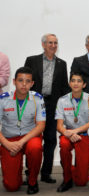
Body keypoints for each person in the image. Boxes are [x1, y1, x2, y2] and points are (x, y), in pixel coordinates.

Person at [24, 33, 69, 183]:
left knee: (50, 140)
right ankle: (30, 173)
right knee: (32, 138)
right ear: (43, 44)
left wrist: (65, 107)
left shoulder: (62, 63)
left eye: (55, 43)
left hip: (53, 105)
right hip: (34, 105)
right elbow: (26, 82)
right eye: (50, 43)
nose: (53, 45)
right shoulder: (32, 60)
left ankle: (46, 173)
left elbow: (64, 87)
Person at [0, 67, 45, 194]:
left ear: (32, 83)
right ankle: (17, 176)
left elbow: (41, 126)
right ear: (14, 82)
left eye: (27, 81)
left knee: (36, 147)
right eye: (20, 80)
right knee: (12, 186)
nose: (24, 84)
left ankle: (32, 181)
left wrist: (21, 142)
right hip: (9, 140)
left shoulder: (38, 99)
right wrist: (7, 144)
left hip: (29, 138)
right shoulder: (3, 99)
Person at [55, 72, 89, 192]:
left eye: (79, 81)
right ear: (69, 83)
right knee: (63, 145)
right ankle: (67, 179)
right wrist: (67, 133)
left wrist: (75, 131)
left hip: (83, 135)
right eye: (73, 80)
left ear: (84, 84)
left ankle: (75, 170)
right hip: (67, 135)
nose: (75, 83)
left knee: (82, 182)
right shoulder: (62, 100)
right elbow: (59, 126)